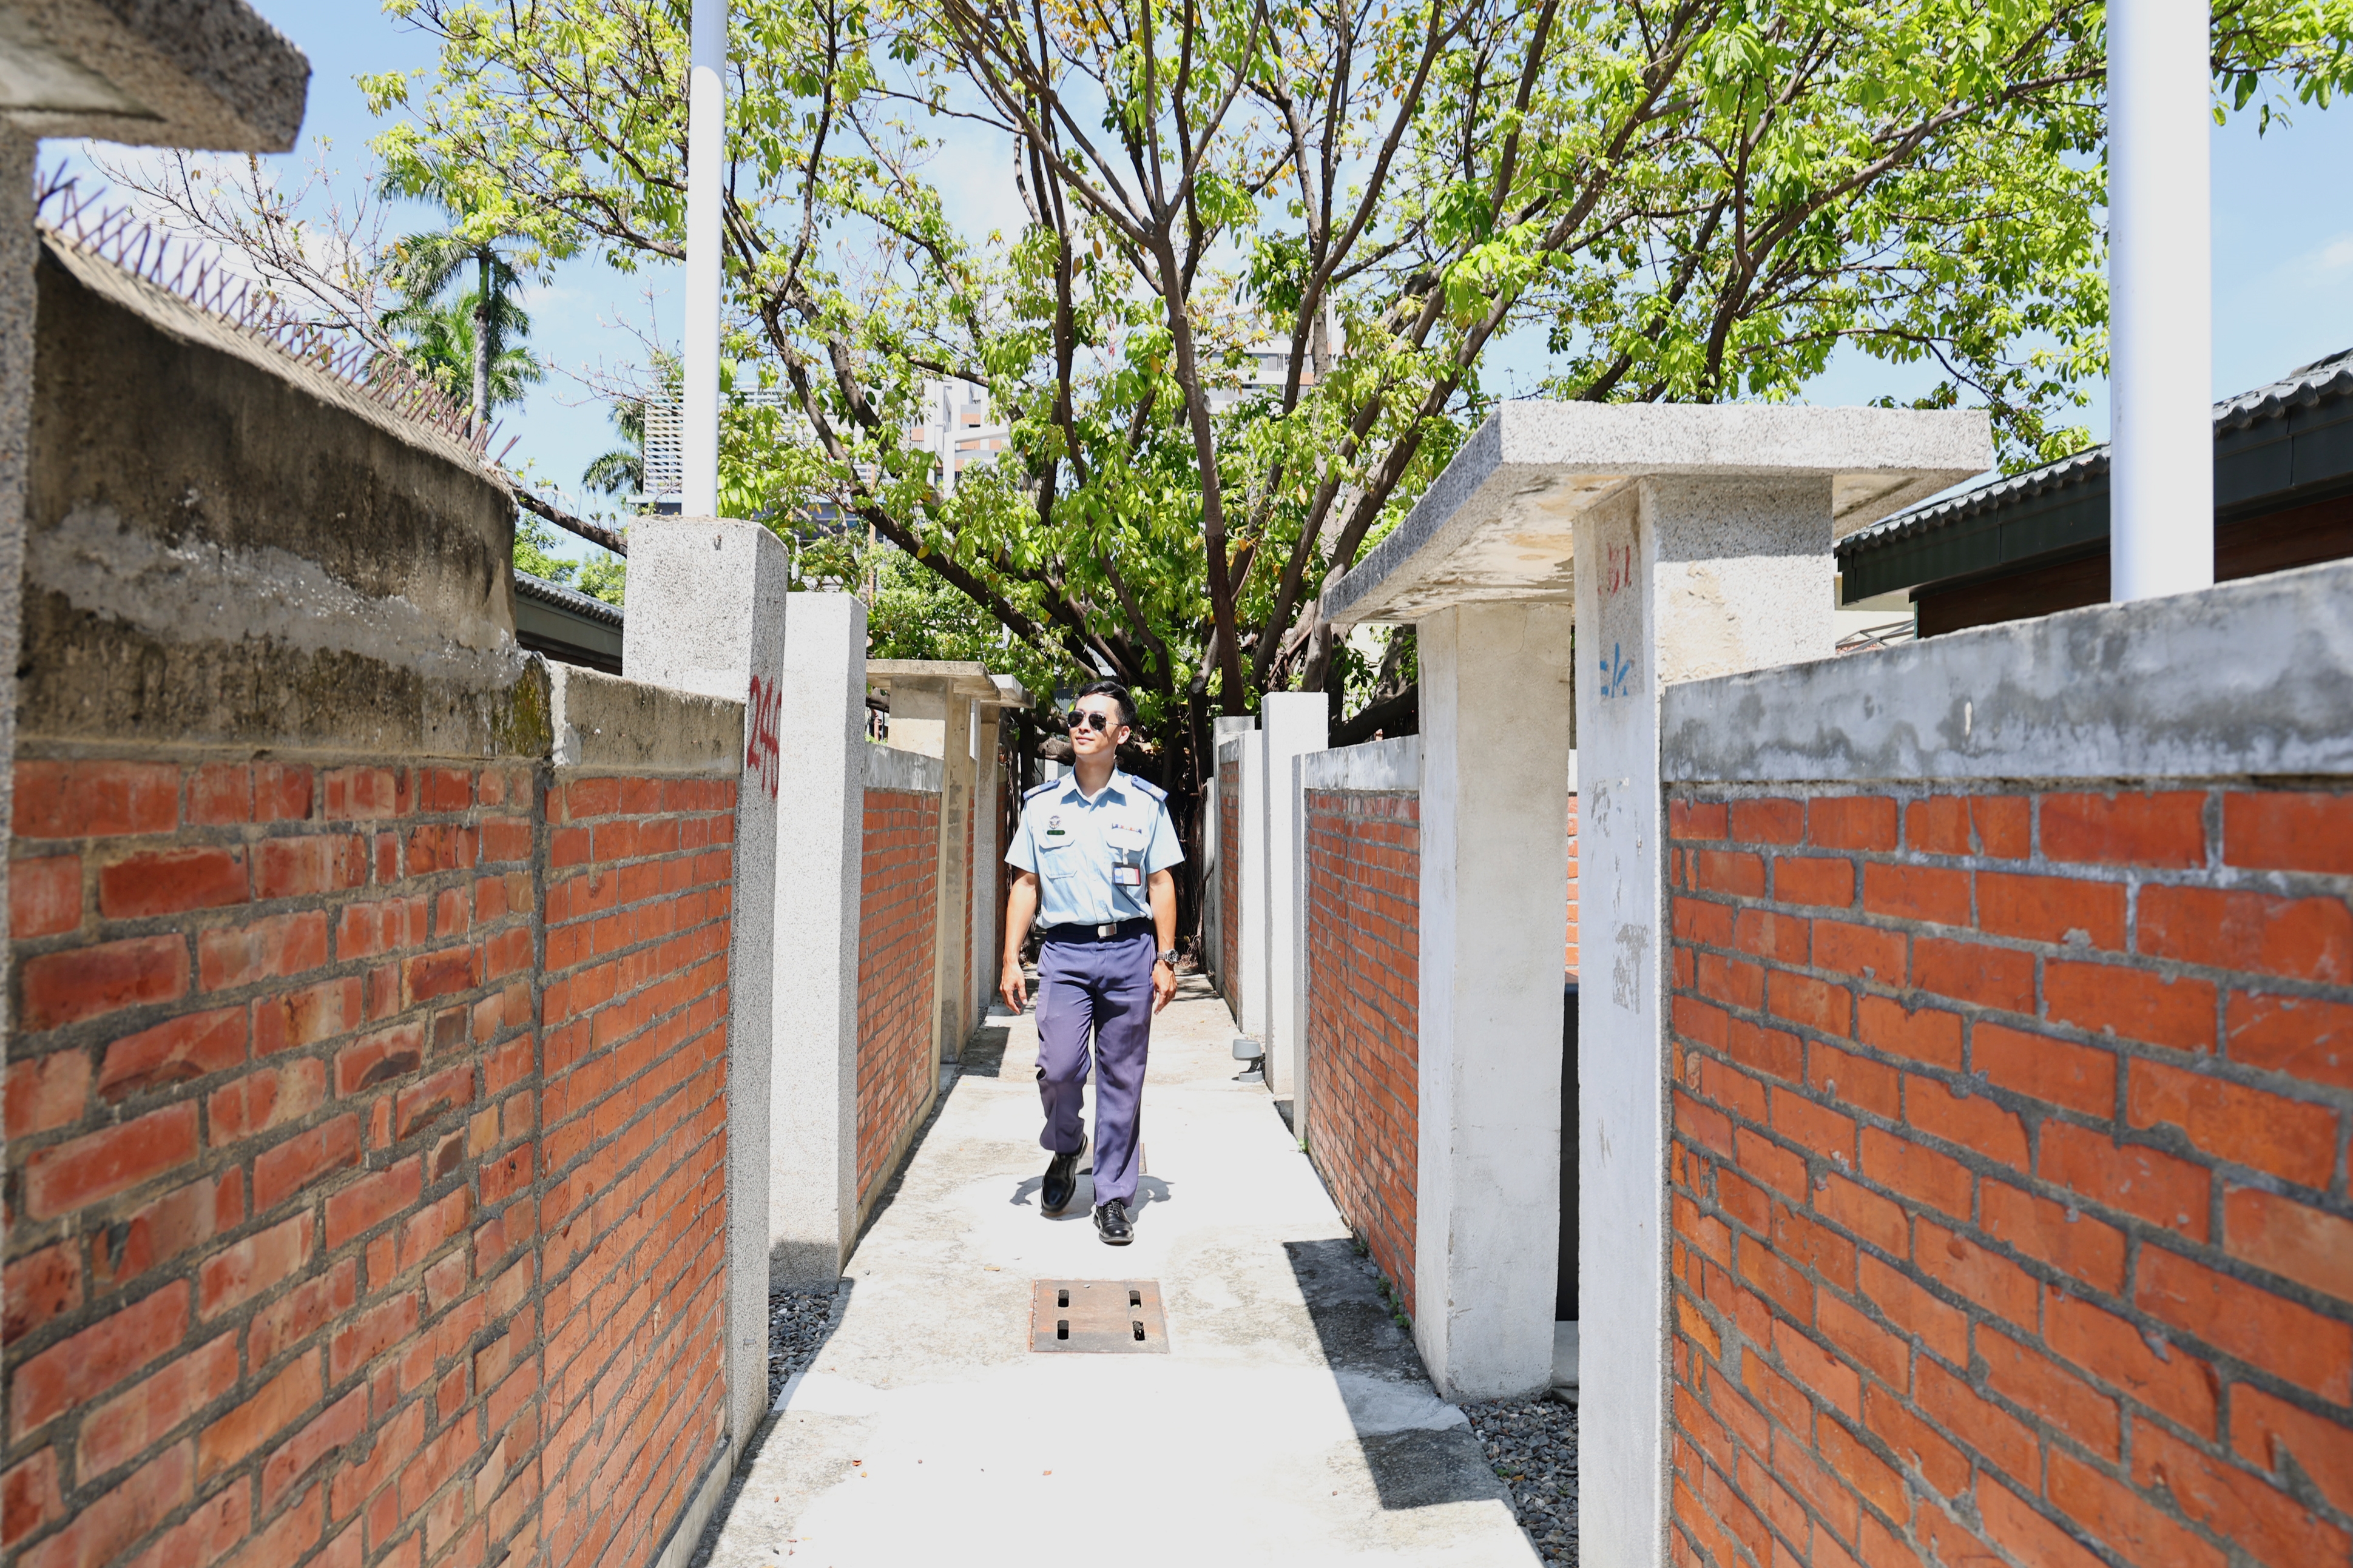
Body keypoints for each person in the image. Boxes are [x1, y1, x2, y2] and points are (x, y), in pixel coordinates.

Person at [1000, 681, 1183, 1245]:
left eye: (1096, 720)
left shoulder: (1145, 804)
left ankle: (1112, 1197)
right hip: (1065, 954)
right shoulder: (1042, 804)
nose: (1082, 725)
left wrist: (1166, 956)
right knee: (1058, 1068)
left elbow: (1161, 882)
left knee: (1123, 1078)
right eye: (1076, 716)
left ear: (1120, 734)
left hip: (1130, 950)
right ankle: (1065, 1147)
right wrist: (1011, 958)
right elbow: (1025, 883)